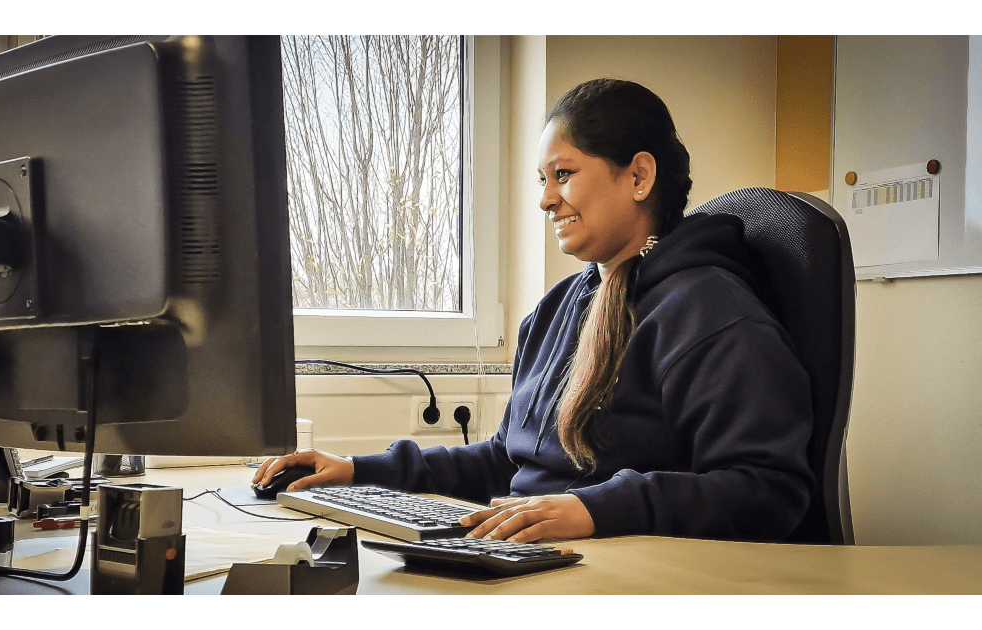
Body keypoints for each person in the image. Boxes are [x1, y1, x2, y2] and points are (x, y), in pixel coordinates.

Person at [253, 78, 815, 543]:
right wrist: (358, 471)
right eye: (543, 180)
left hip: (623, 576)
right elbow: (506, 460)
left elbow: (768, 489)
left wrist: (594, 509)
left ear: (639, 176)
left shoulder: (709, 311)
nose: (546, 199)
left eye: (563, 174)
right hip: (532, 557)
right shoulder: (556, 311)